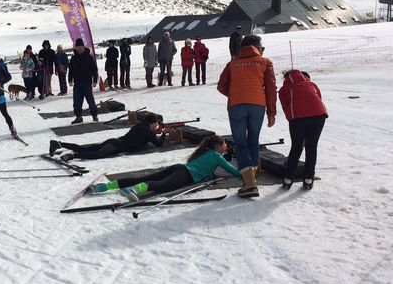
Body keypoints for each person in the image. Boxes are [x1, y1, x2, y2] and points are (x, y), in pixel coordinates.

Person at [91, 135, 241, 201]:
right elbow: (232, 170)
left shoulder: (207, 151)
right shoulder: (217, 156)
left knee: (144, 178)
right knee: (161, 186)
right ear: (218, 146)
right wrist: (246, 173)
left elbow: (219, 161)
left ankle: (104, 187)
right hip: (185, 175)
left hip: (178, 168)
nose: (226, 146)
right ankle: (134, 190)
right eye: (224, 145)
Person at [217, 34, 277, 198]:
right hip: (258, 105)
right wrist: (271, 113)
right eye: (262, 48)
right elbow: (271, 89)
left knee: (241, 143)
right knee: (253, 140)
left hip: (236, 105)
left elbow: (221, 86)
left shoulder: (232, 64)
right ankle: (252, 179)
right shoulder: (265, 62)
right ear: (257, 48)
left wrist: (235, 93)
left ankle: (249, 182)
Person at [278, 70, 328, 190]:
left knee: (296, 147)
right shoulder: (312, 84)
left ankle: (288, 180)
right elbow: (319, 99)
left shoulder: (284, 89)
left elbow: (286, 106)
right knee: (311, 147)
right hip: (319, 115)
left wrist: (292, 119)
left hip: (298, 118)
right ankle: (308, 180)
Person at [51, 113, 166, 161]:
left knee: (86, 148)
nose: (157, 125)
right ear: (153, 123)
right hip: (117, 145)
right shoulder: (147, 131)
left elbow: (146, 138)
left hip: (115, 142)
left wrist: (157, 132)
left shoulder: (140, 126)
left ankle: (59, 144)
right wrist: (164, 133)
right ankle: (72, 156)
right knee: (97, 155)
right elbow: (158, 143)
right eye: (156, 123)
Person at [68, 38, 98, 124]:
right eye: (77, 47)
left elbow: (94, 69)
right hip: (77, 82)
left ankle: (94, 115)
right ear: (76, 47)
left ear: (83, 47)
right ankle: (78, 116)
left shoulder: (89, 57)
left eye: (80, 46)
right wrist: (70, 78)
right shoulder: (74, 58)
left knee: (90, 100)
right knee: (77, 101)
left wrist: (95, 80)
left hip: (87, 82)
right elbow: (71, 69)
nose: (79, 48)